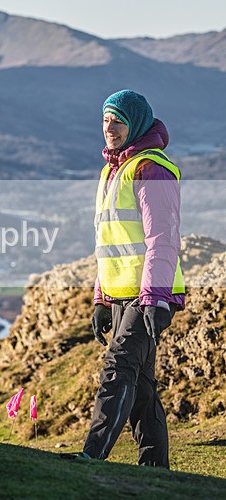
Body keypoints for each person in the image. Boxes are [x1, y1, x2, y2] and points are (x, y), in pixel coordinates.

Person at [82, 90, 185, 468]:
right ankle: (156, 470)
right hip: (121, 294)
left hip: (150, 294)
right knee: (141, 386)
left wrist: (155, 298)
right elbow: (108, 241)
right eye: (106, 120)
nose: (110, 128)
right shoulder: (112, 170)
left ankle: (92, 455)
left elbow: (163, 237)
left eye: (118, 121)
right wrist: (100, 298)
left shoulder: (150, 168)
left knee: (119, 367)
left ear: (136, 124)